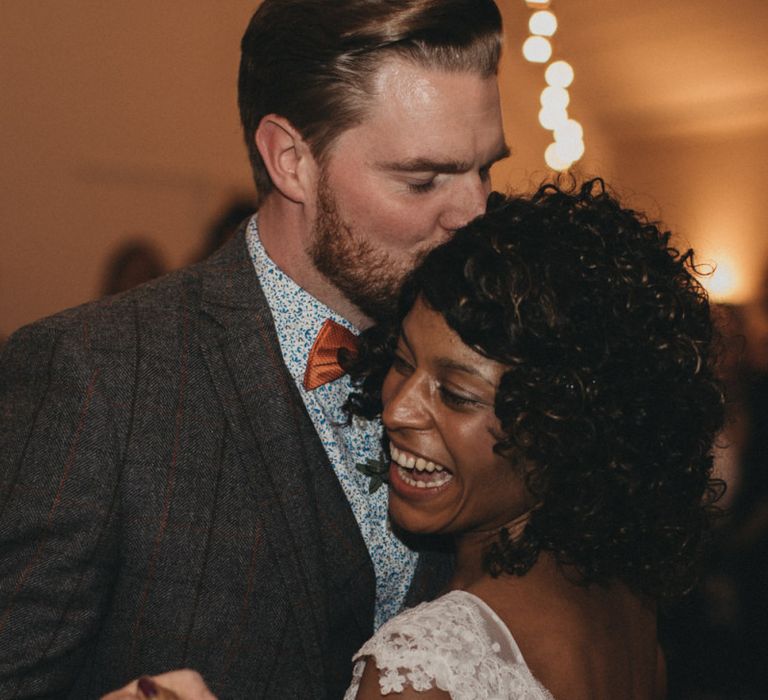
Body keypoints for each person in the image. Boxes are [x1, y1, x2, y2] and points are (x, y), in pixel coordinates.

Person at [0, 1, 508, 698]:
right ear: (291, 161)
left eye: (486, 170)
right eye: (424, 179)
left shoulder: (500, 362)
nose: (474, 213)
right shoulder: (92, 378)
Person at [337, 180, 724, 698]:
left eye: (455, 394)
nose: (398, 408)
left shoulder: (424, 667)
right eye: (402, 361)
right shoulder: (627, 606)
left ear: (559, 431)